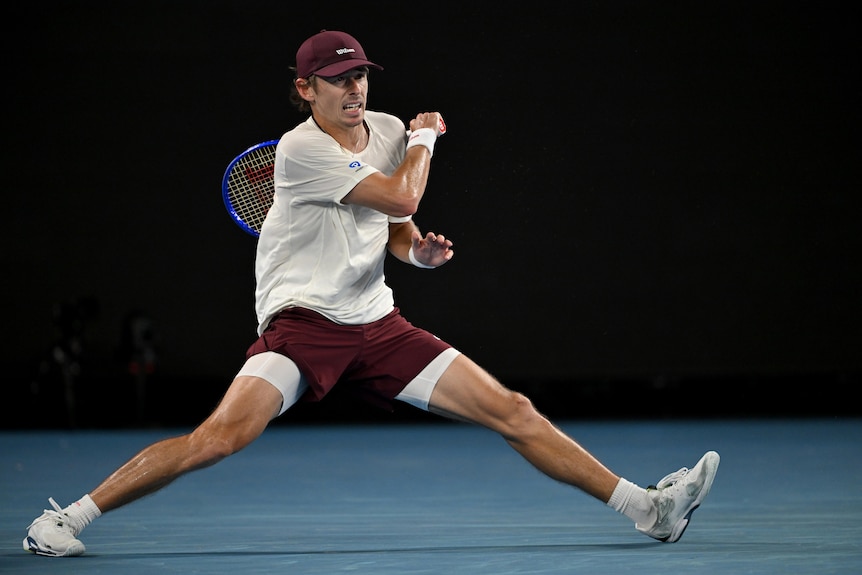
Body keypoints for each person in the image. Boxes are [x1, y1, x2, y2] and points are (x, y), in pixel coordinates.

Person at [23, 29, 720, 558]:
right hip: (302, 325)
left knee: (512, 409)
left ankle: (647, 508)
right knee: (217, 439)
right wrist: (426, 140)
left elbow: (395, 218)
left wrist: (416, 251)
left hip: (377, 323)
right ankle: (67, 518)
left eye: (359, 75)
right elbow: (403, 188)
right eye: (336, 79)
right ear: (305, 90)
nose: (353, 89)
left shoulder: (384, 131)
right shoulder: (301, 150)